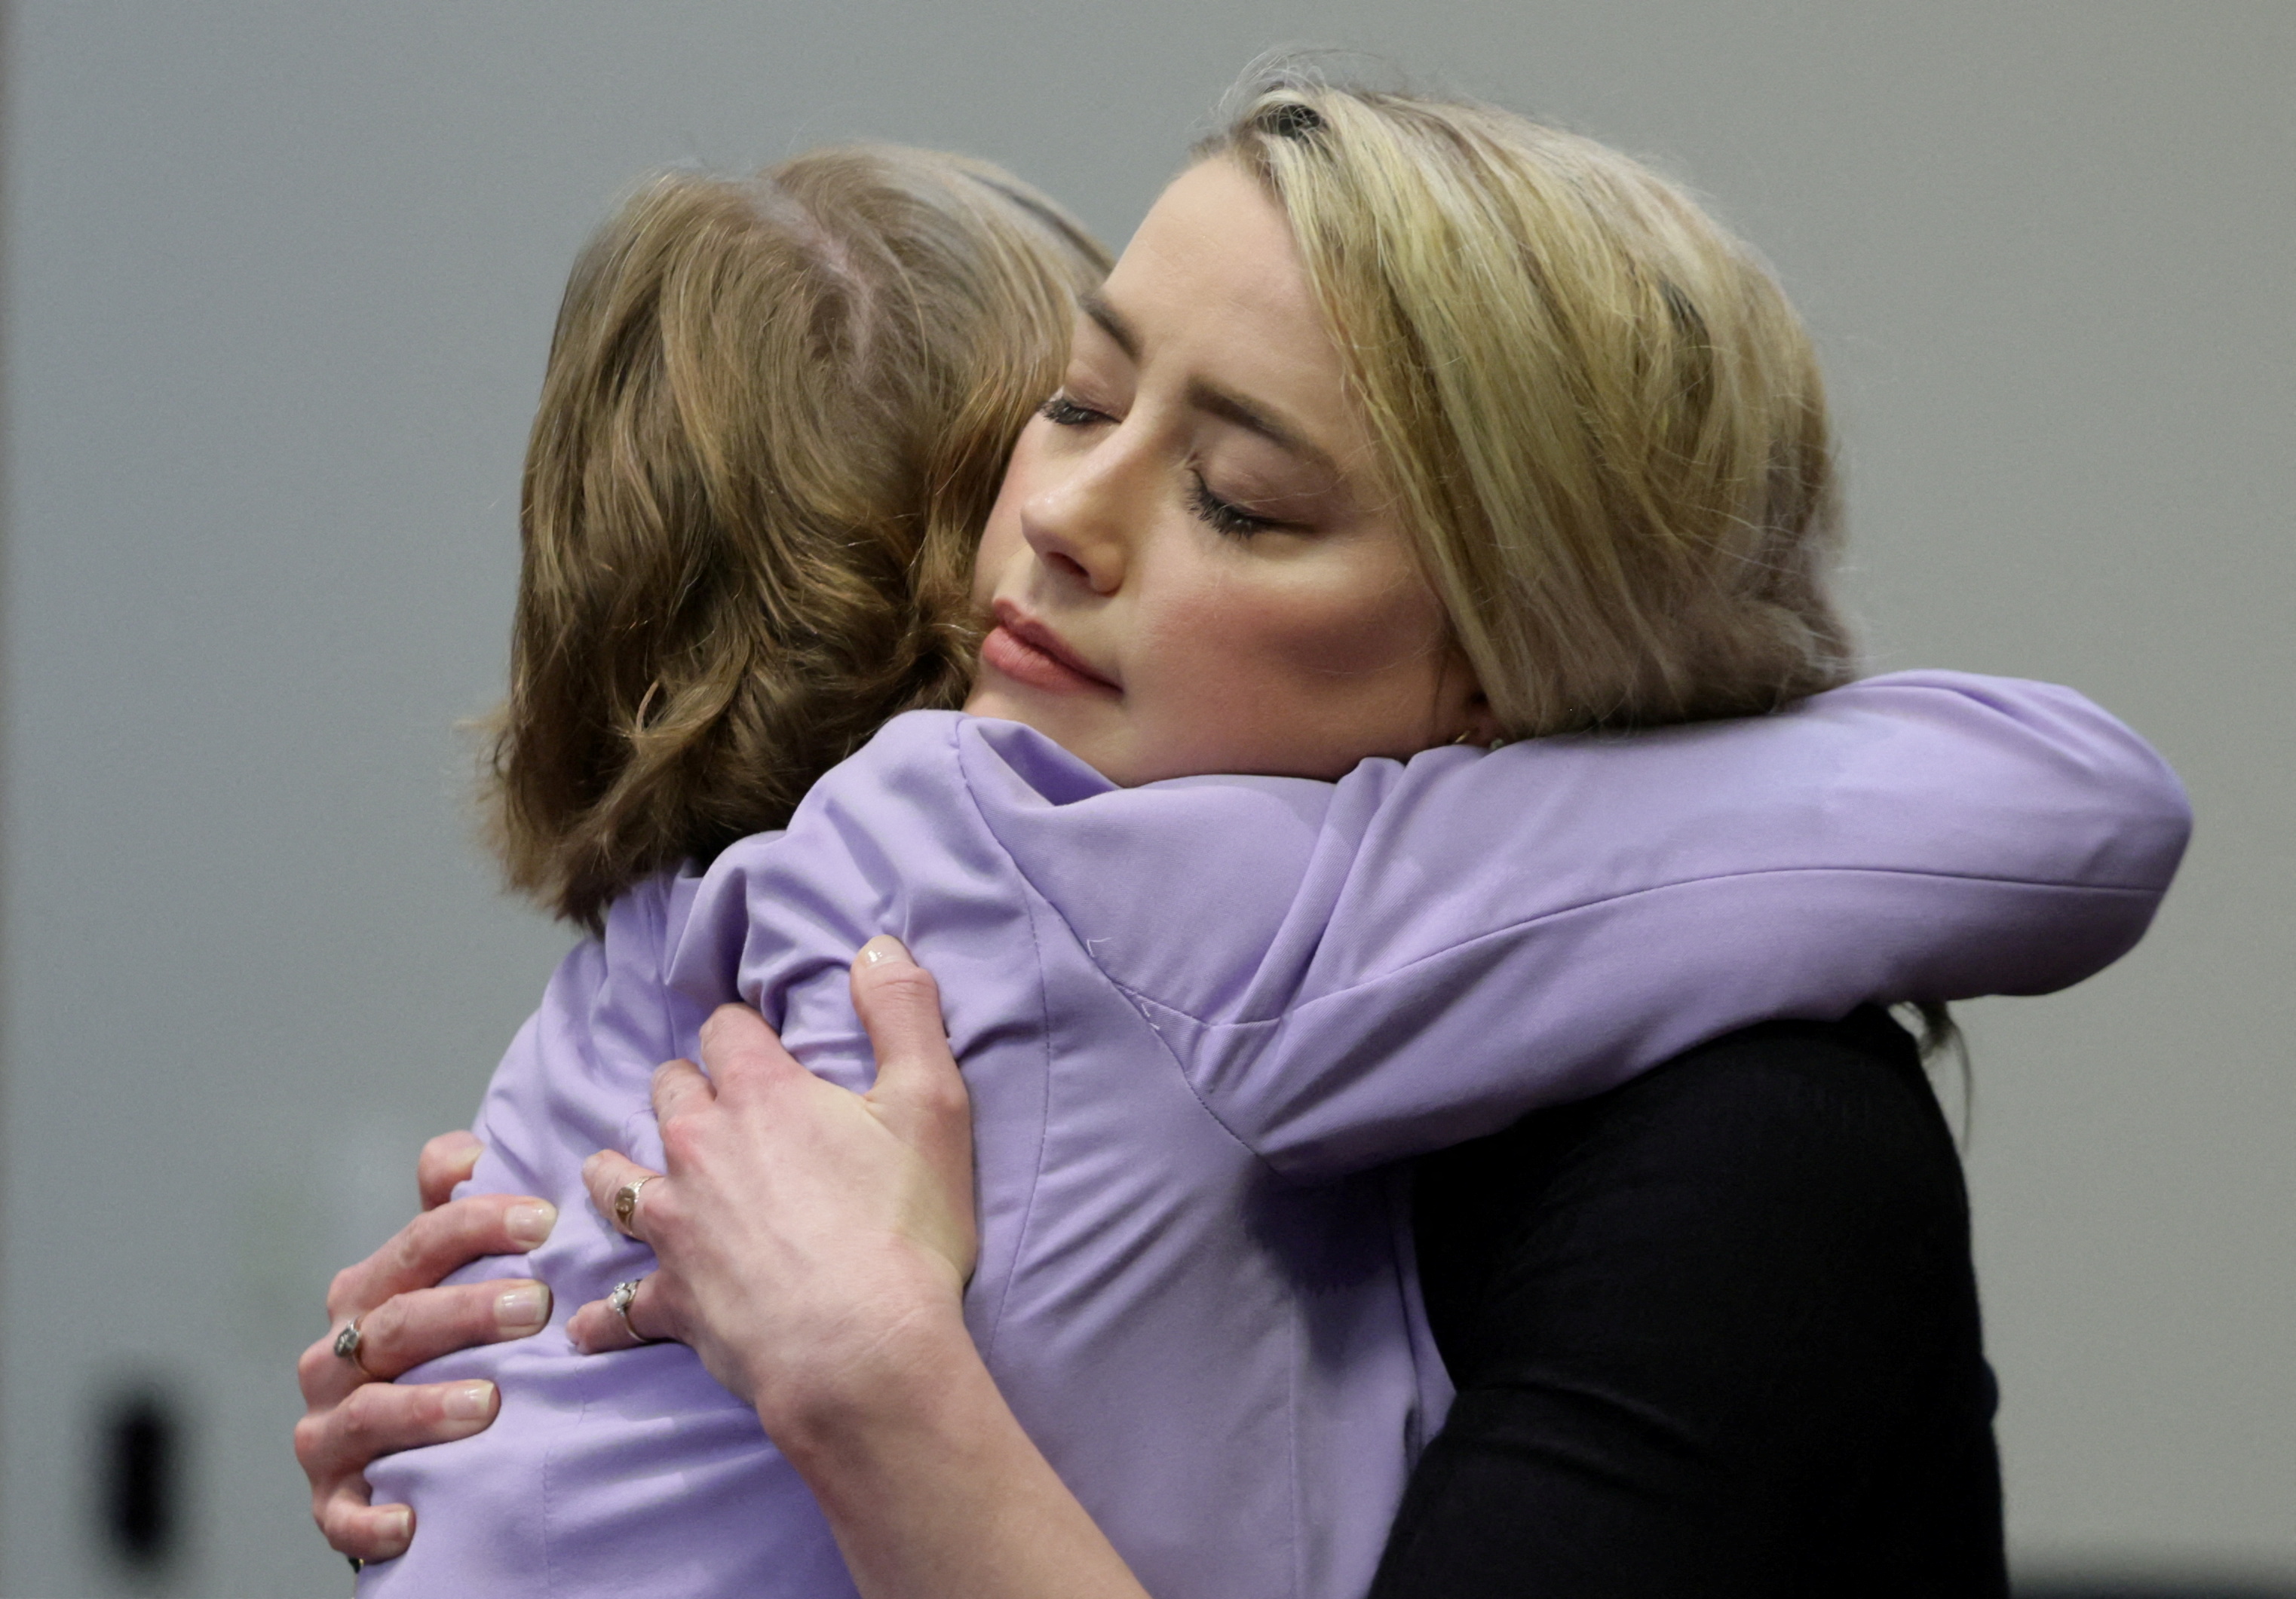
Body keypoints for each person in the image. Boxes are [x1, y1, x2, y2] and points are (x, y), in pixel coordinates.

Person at [297, 78, 2187, 1597]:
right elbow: (2063, 800)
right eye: (1078, 400)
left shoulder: (1739, 1144)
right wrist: (478, 1365)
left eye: (1242, 499)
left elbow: (2080, 806)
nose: (1060, 517)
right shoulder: (992, 857)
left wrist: (867, 1382)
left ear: (1497, 676)